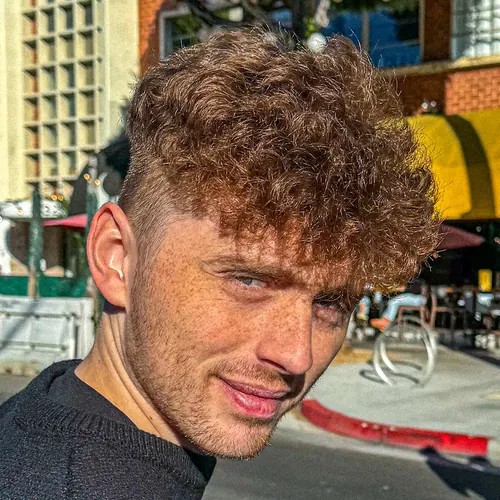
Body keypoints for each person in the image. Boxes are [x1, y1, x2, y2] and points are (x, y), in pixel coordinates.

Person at [0, 29, 440, 499]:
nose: (296, 355)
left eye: (330, 302)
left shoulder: (45, 413)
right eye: (249, 280)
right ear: (117, 258)